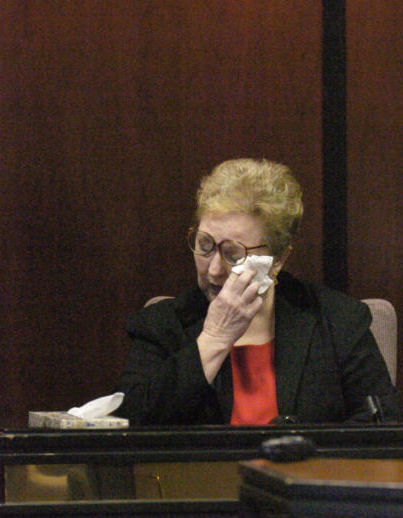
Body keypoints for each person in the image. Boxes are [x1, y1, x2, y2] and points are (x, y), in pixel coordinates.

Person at [115, 158, 402, 426]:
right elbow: (130, 423)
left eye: (233, 254)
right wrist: (214, 339)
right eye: (205, 245)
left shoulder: (339, 321)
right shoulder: (161, 325)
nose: (213, 269)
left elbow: (382, 425)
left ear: (277, 260)